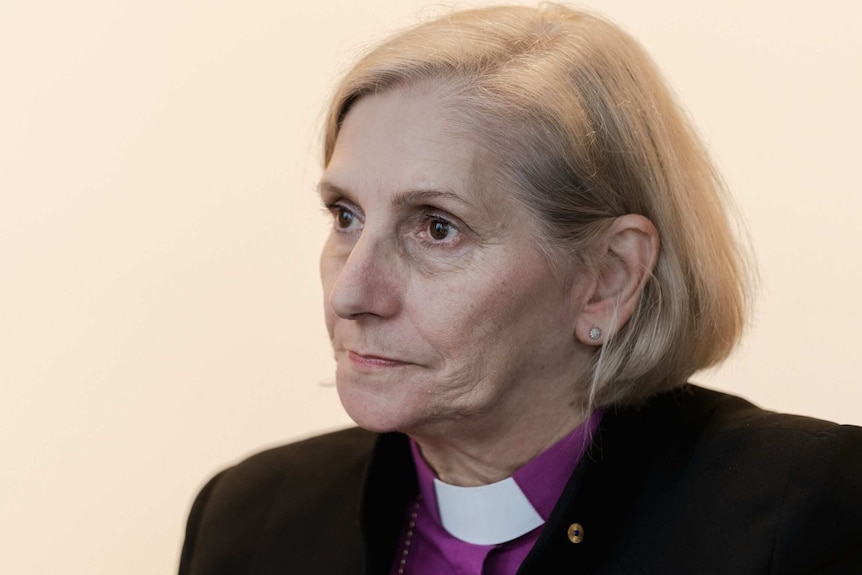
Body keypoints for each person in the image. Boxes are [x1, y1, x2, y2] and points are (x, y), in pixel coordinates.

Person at [178, 5, 862, 574]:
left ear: (607, 278)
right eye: (346, 217)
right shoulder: (248, 517)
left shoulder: (805, 511)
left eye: (437, 228)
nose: (352, 293)